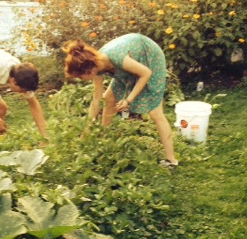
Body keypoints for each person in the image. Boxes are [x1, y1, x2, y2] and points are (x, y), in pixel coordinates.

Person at [63, 33, 178, 168]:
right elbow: (97, 98)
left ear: (89, 71)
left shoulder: (116, 58)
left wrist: (128, 100)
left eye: (80, 77)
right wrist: (88, 128)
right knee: (109, 98)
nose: (80, 79)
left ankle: (171, 160)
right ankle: (105, 140)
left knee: (155, 113)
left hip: (149, 57)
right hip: (132, 60)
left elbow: (146, 73)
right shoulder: (96, 65)